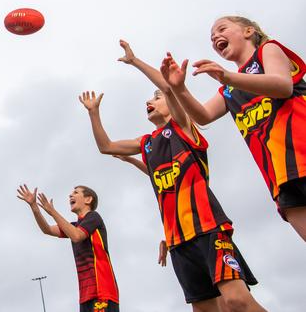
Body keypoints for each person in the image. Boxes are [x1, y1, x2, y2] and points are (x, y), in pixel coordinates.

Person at [78, 40, 265, 312]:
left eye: (155, 97)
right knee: (204, 309)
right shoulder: (147, 143)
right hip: (178, 239)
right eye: (150, 98)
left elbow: (169, 87)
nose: (149, 101)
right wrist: (94, 114)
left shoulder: (183, 128)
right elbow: (106, 146)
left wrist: (135, 61)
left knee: (236, 301)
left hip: (208, 229)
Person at [162, 16, 306, 241]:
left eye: (222, 29)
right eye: (211, 37)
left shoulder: (267, 50)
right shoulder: (230, 89)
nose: (215, 37)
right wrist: (179, 89)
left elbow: (283, 86)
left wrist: (227, 76)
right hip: (279, 175)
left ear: (249, 31)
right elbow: (203, 116)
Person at [17, 184, 119, 312]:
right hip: (85, 295)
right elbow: (47, 229)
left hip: (102, 291)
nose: (71, 195)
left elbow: (76, 236)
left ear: (88, 199)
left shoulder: (94, 217)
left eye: (76, 192)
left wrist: (53, 212)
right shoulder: (74, 226)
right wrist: (34, 206)